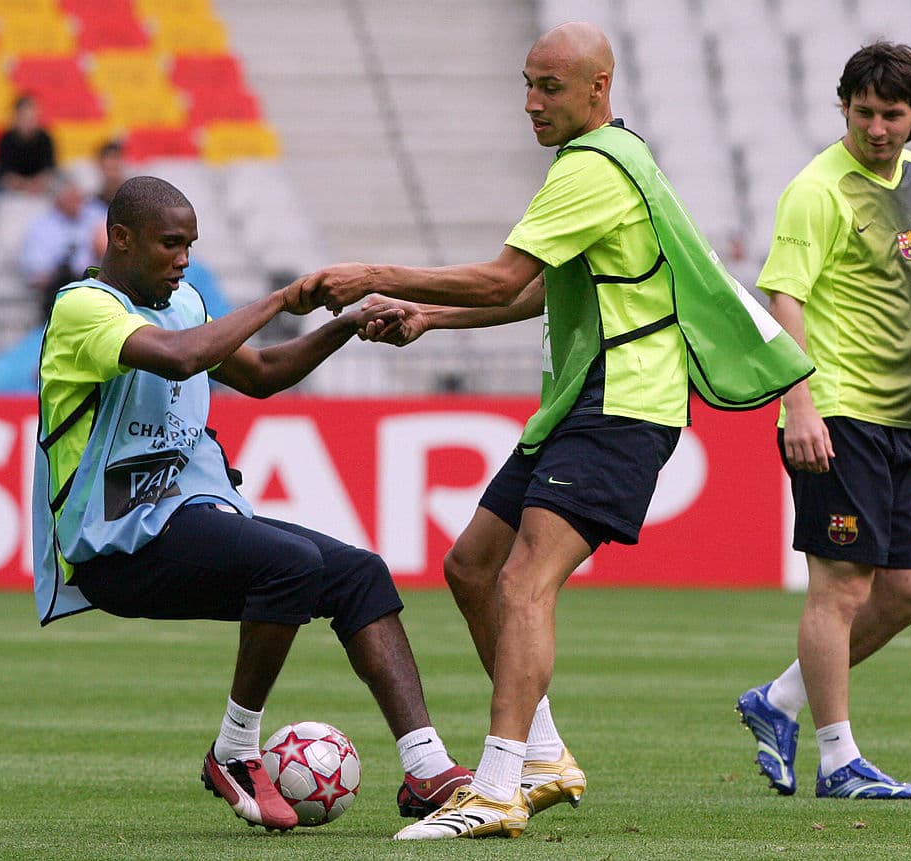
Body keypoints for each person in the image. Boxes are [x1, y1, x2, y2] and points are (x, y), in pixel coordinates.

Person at [296, 22, 811, 839]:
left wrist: (377, 271)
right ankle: (542, 758)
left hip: (624, 401)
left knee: (523, 580)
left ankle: (497, 787)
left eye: (551, 88)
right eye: (527, 85)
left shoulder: (593, 167)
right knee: (471, 566)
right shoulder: (608, 158)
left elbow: (504, 274)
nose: (532, 104)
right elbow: (538, 291)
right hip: (581, 398)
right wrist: (428, 315)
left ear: (599, 87)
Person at [31, 175, 471, 832]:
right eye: (169, 244)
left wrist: (344, 325)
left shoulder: (184, 304)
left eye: (191, 246)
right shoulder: (84, 309)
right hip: (115, 542)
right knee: (289, 562)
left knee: (358, 573)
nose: (183, 259)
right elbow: (180, 361)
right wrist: (280, 298)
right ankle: (236, 750)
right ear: (119, 239)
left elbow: (262, 376)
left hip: (188, 518)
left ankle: (428, 768)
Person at [735, 42, 911, 800]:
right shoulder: (816, 189)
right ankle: (838, 760)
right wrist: (796, 401)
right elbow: (785, 298)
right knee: (840, 587)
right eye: (861, 111)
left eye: (891, 114)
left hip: (902, 412)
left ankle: (779, 701)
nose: (875, 127)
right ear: (844, 106)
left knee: (910, 591)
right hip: (837, 412)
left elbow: (910, 293)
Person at [19, 172, 104, 320]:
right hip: (58, 292)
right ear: (58, 199)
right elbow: (36, 274)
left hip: (96, 286)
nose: (78, 202)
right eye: (71, 198)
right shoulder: (42, 227)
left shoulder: (95, 214)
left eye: (79, 198)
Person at [0, 94, 56, 194]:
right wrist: (22, 185)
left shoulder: (45, 138)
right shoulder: (6, 139)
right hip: (11, 187)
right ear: (16, 116)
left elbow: (49, 168)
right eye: (25, 117)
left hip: (40, 187)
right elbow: (4, 171)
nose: (29, 122)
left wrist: (35, 184)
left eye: (32, 117)